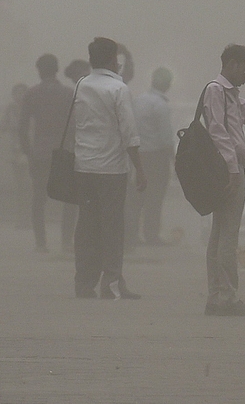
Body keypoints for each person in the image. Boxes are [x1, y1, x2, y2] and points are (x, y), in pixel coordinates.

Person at [73, 37, 146, 300]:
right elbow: (129, 132)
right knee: (112, 227)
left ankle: (84, 282)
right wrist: (139, 167)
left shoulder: (81, 85)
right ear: (111, 59)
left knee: (87, 226)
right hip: (112, 170)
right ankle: (112, 282)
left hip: (83, 166)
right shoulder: (118, 88)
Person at [203, 44, 245, 317]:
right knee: (227, 236)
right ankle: (226, 297)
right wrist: (231, 168)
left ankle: (218, 295)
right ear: (231, 64)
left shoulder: (233, 95)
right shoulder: (215, 91)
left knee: (220, 234)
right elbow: (217, 131)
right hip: (227, 171)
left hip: (233, 168)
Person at [19, 54, 74, 253]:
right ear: (57, 70)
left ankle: (41, 243)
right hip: (64, 153)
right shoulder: (69, 94)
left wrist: (28, 152)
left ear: (39, 71)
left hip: (40, 154)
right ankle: (66, 241)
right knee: (69, 199)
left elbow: (22, 128)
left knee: (39, 199)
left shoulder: (32, 94)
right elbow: (76, 125)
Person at [125, 67, 175, 247]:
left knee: (137, 197)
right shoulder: (161, 105)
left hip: (137, 155)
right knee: (155, 197)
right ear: (168, 84)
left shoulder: (138, 101)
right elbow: (166, 139)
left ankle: (132, 235)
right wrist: (174, 160)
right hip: (157, 157)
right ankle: (151, 235)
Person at [56, 60, 92, 251]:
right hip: (80, 152)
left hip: (78, 151)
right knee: (77, 202)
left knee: (74, 202)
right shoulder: (74, 97)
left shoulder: (73, 96)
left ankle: (70, 241)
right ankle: (71, 241)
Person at [0, 83, 31, 229]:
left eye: (23, 93)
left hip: (30, 151)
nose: (20, 96)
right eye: (18, 93)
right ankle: (21, 218)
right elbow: (2, 126)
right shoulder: (10, 109)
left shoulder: (33, 109)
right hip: (15, 152)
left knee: (29, 185)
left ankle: (29, 218)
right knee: (20, 185)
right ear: (13, 95)